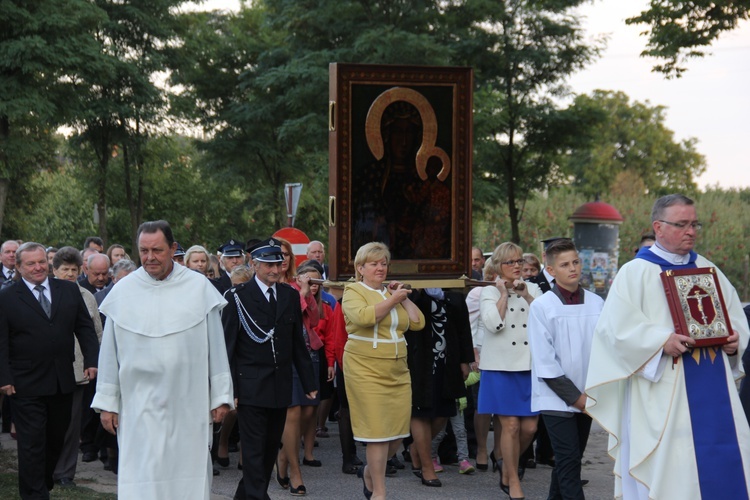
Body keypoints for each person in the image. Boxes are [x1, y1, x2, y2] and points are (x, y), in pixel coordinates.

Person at [585, 194, 750, 499]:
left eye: (694, 224)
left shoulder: (708, 269)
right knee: (671, 467)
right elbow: (614, 331)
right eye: (681, 224)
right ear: (658, 227)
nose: (691, 231)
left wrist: (733, 342)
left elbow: (735, 319)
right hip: (661, 391)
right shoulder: (635, 273)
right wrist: (661, 341)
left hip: (715, 388)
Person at [91, 220, 233, 500]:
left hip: (188, 403)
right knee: (142, 477)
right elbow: (110, 353)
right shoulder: (123, 290)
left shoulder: (198, 287)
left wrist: (221, 396)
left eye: (157, 250)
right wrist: (108, 403)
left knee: (187, 476)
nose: (149, 257)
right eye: (143, 250)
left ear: (173, 248)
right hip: (138, 405)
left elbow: (217, 346)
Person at [0, 242, 99, 499]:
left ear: (49, 263)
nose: (38, 267)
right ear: (19, 267)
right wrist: (4, 377)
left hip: (62, 380)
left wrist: (92, 360)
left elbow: (85, 328)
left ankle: (41, 482)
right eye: (31, 263)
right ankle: (35, 494)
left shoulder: (67, 290)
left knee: (56, 439)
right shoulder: (7, 297)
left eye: (41, 262)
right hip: (25, 383)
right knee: (32, 444)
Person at [222, 237, 318, 500]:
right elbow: (228, 348)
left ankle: (247, 495)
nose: (275, 270)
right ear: (254, 264)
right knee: (252, 450)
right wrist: (231, 388)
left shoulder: (288, 295)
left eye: (278, 265)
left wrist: (309, 382)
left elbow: (298, 343)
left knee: (268, 449)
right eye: (268, 265)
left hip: (280, 383)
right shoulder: (237, 297)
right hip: (250, 385)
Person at [342, 242, 425, 500]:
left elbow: (417, 323)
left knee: (398, 434)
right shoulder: (353, 290)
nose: (380, 268)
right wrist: (393, 299)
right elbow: (365, 318)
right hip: (364, 367)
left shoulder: (392, 293)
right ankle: (379, 492)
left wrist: (403, 297)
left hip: (397, 369)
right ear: (360, 268)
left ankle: (370, 471)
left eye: (384, 263)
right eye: (374, 263)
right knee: (377, 434)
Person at [528, 239, 604, 500]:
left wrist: (592, 395)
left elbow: (607, 351)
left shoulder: (596, 304)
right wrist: (577, 399)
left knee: (567, 462)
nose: (572, 268)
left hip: (589, 394)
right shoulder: (542, 306)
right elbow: (545, 362)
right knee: (570, 463)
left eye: (575, 262)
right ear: (550, 271)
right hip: (556, 397)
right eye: (564, 264)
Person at [478, 242, 542, 499]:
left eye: (519, 262)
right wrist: (503, 294)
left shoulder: (534, 288)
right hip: (500, 366)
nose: (516, 266)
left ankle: (504, 462)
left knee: (529, 429)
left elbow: (546, 319)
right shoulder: (488, 292)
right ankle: (512, 479)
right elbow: (493, 325)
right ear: (498, 266)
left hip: (527, 365)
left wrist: (525, 294)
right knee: (511, 426)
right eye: (510, 262)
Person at [49, 247, 104, 488]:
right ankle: (45, 467)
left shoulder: (87, 297)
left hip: (78, 370)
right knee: (48, 423)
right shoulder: (45, 294)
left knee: (72, 425)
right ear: (55, 270)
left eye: (74, 270)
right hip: (48, 370)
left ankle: (64, 473)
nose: (70, 274)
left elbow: (96, 333)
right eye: (65, 270)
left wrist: (95, 362)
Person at [276, 263, 325, 495]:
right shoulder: (288, 291)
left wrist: (310, 295)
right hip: (289, 359)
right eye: (309, 280)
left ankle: (284, 456)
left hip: (309, 356)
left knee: (308, 412)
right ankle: (295, 471)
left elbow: (314, 320)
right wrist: (303, 292)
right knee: (293, 413)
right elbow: (288, 318)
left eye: (316, 282)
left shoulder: (311, 296)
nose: (313, 285)